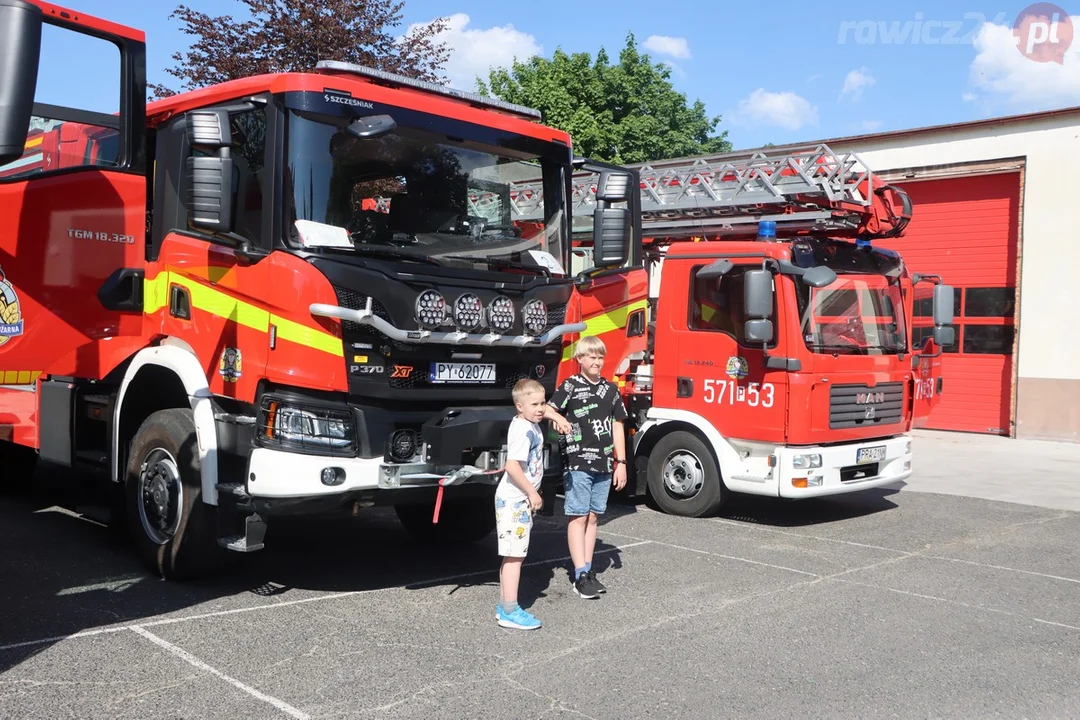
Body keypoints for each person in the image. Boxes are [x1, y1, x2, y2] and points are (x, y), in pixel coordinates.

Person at [548, 335, 629, 599]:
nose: (596, 361)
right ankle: (580, 573)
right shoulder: (570, 385)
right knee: (578, 516)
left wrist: (622, 463)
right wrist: (558, 418)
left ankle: (588, 569)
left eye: (600, 357)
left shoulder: (611, 389)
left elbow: (618, 425)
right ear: (579, 359)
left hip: (605, 463)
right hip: (578, 462)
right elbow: (547, 410)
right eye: (591, 356)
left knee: (594, 517)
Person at [494, 378, 571, 630]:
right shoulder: (523, 431)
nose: (540, 409)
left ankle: (505, 605)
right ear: (519, 406)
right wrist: (532, 493)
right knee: (515, 556)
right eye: (534, 405)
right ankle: (510, 611)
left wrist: (556, 417)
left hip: (518, 499)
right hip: (515, 499)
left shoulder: (530, 420)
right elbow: (512, 466)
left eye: (543, 403)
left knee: (513, 554)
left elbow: (541, 408)